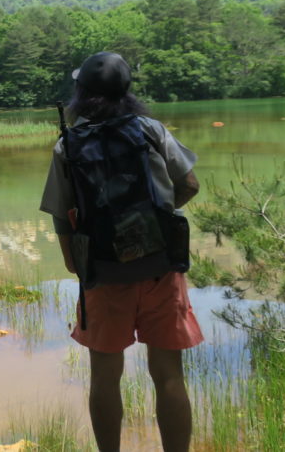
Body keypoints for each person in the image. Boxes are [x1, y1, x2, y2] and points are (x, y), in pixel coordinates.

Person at [40, 52, 203, 452]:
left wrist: (74, 260)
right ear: (126, 91)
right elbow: (191, 184)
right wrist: (156, 218)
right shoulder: (150, 130)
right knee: (168, 376)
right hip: (160, 268)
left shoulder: (69, 144)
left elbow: (62, 215)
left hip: (103, 272)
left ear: (82, 95)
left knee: (105, 377)